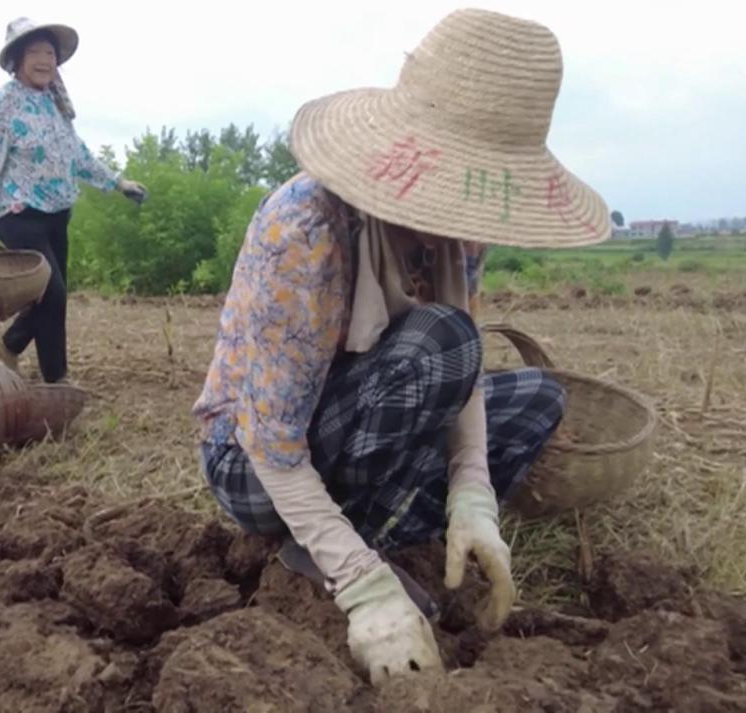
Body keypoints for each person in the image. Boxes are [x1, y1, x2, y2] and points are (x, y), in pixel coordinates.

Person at [192, 9, 611, 684]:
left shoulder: (461, 233)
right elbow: (270, 440)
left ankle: (363, 533)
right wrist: (363, 586)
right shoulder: (305, 226)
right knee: (440, 343)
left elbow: (463, 375)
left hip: (365, 421)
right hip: (253, 464)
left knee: (536, 397)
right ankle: (336, 551)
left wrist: (472, 491)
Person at [0, 17, 147, 383]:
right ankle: (55, 379)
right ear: (17, 59)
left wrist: (118, 182)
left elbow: (76, 154)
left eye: (49, 52)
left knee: (50, 296)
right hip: (19, 212)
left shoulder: (54, 105)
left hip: (57, 212)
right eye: (35, 52)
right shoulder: (0, 105)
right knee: (52, 293)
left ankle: (12, 345)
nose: (44, 59)